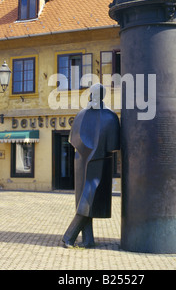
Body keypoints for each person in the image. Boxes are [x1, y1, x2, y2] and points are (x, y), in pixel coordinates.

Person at [62, 83, 120, 248]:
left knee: (85, 199)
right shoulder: (111, 117)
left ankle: (88, 239)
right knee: (88, 201)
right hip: (100, 162)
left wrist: (86, 150)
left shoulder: (81, 115)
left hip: (81, 160)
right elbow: (113, 145)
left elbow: (73, 139)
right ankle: (69, 236)